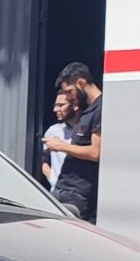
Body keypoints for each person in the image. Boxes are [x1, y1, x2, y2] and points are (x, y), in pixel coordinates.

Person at [43, 62, 102, 220]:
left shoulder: (100, 109)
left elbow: (95, 152)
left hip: (78, 196)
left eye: (69, 91)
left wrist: (61, 146)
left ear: (81, 83)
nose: (68, 97)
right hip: (62, 190)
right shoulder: (86, 112)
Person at [32, 87, 73, 189]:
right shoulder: (53, 131)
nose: (56, 110)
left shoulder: (85, 133)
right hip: (57, 192)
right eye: (55, 105)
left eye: (61, 105)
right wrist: (53, 180)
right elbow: (43, 160)